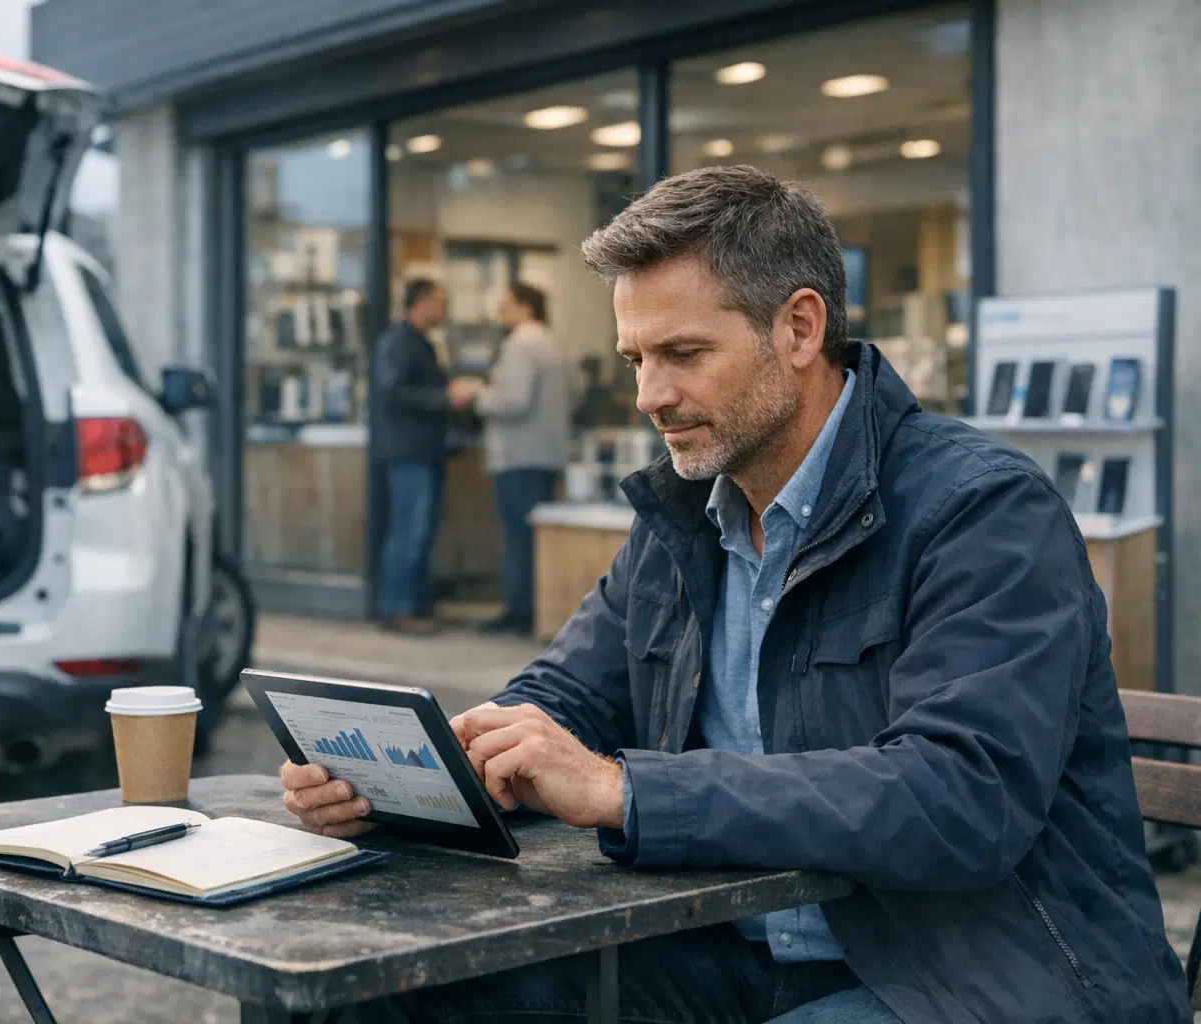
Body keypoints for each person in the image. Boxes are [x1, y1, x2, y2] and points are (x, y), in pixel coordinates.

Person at [282, 165, 1190, 1023]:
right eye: (636, 359)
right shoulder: (685, 515)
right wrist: (418, 777)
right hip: (732, 953)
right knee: (369, 993)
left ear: (799, 329)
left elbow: (961, 798)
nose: (650, 395)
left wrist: (625, 792)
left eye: (682, 353)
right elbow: (566, 695)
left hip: (964, 978)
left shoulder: (983, 510)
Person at [455, 282, 574, 635]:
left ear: (526, 307)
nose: (500, 311)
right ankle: (533, 611)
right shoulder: (555, 342)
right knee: (534, 538)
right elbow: (578, 392)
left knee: (519, 538)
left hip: (518, 454)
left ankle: (519, 613)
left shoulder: (521, 343)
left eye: (506, 304)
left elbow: (513, 400)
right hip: (548, 453)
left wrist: (475, 393)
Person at [371, 279, 469, 634]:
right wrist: (445, 398)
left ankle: (416, 605)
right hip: (408, 451)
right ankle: (397, 609)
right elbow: (394, 393)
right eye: (439, 302)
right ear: (421, 302)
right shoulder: (398, 342)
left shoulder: (421, 342)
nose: (444, 309)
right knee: (408, 531)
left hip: (425, 450)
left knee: (421, 532)